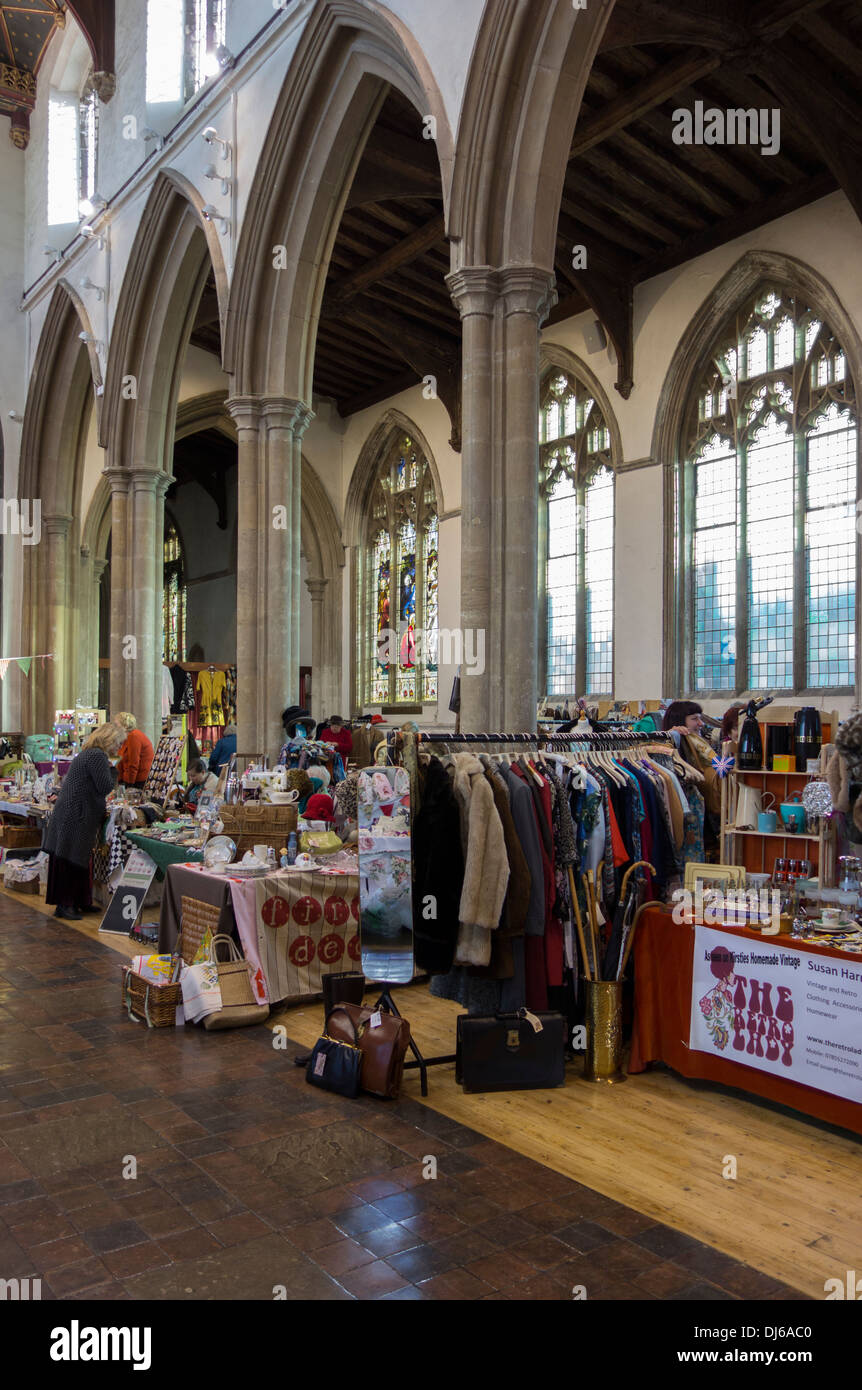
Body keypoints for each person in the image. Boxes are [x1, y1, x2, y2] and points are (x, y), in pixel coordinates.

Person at [44, 722, 123, 920]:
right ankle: (66, 904)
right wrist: (113, 769)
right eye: (118, 742)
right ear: (109, 739)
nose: (119, 747)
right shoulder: (97, 756)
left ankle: (79, 900)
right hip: (76, 814)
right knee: (71, 858)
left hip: (74, 812)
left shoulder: (88, 754)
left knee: (75, 858)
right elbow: (105, 786)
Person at [114, 712, 154, 787]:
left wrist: (128, 784)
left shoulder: (133, 736)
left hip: (138, 781)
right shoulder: (128, 737)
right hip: (132, 779)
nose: (115, 728)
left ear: (125, 725)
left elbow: (133, 762)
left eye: (116, 724)